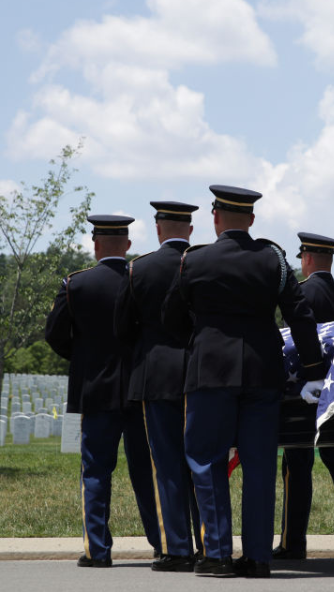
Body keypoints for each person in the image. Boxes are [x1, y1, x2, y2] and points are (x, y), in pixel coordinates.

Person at [162, 185, 327, 578]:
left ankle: (217, 554)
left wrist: (200, 337)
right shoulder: (274, 259)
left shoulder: (193, 260)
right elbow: (299, 314)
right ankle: (257, 557)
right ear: (251, 220)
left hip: (209, 372)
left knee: (206, 461)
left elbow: (170, 318)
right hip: (262, 372)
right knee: (258, 466)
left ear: (215, 218)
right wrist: (313, 369)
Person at [44, 214, 161, 568]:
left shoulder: (76, 284)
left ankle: (97, 550)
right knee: (148, 472)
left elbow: (54, 334)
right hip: (141, 391)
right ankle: (165, 545)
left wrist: (84, 358)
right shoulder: (141, 280)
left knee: (95, 472)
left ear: (95, 245)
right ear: (127, 245)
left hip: (96, 392)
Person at [115, 201, 202, 572]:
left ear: (158, 228)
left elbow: (123, 327)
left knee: (164, 465)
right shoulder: (205, 264)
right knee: (203, 464)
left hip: (155, 377)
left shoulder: (139, 269)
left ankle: (175, 548)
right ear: (192, 230)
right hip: (201, 374)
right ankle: (210, 544)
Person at [272, 232, 334, 561]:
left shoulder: (299, 292)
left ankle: (292, 542)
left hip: (303, 396)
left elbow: (290, 344)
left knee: (297, 466)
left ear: (306, 259)